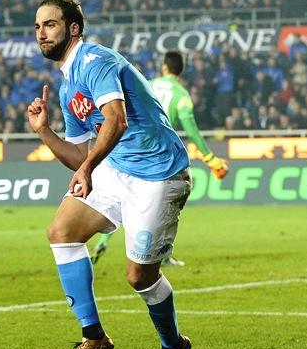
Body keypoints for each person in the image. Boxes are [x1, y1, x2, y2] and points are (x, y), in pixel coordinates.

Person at [28, 0, 192, 349]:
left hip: (158, 172)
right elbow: (82, 154)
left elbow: (115, 121)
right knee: (61, 232)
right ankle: (94, 337)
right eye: (37, 27)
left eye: (49, 25)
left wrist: (88, 168)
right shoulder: (69, 87)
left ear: (73, 29)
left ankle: (172, 346)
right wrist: (45, 132)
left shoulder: (96, 62)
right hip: (116, 169)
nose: (41, 34)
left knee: (139, 277)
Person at [90, 50, 230, 266]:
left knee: (124, 196)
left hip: (130, 145)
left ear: (165, 67)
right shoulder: (182, 96)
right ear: (180, 70)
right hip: (159, 154)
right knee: (163, 203)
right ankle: (162, 254)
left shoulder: (147, 82)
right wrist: (210, 159)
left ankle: (103, 239)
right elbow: (191, 130)